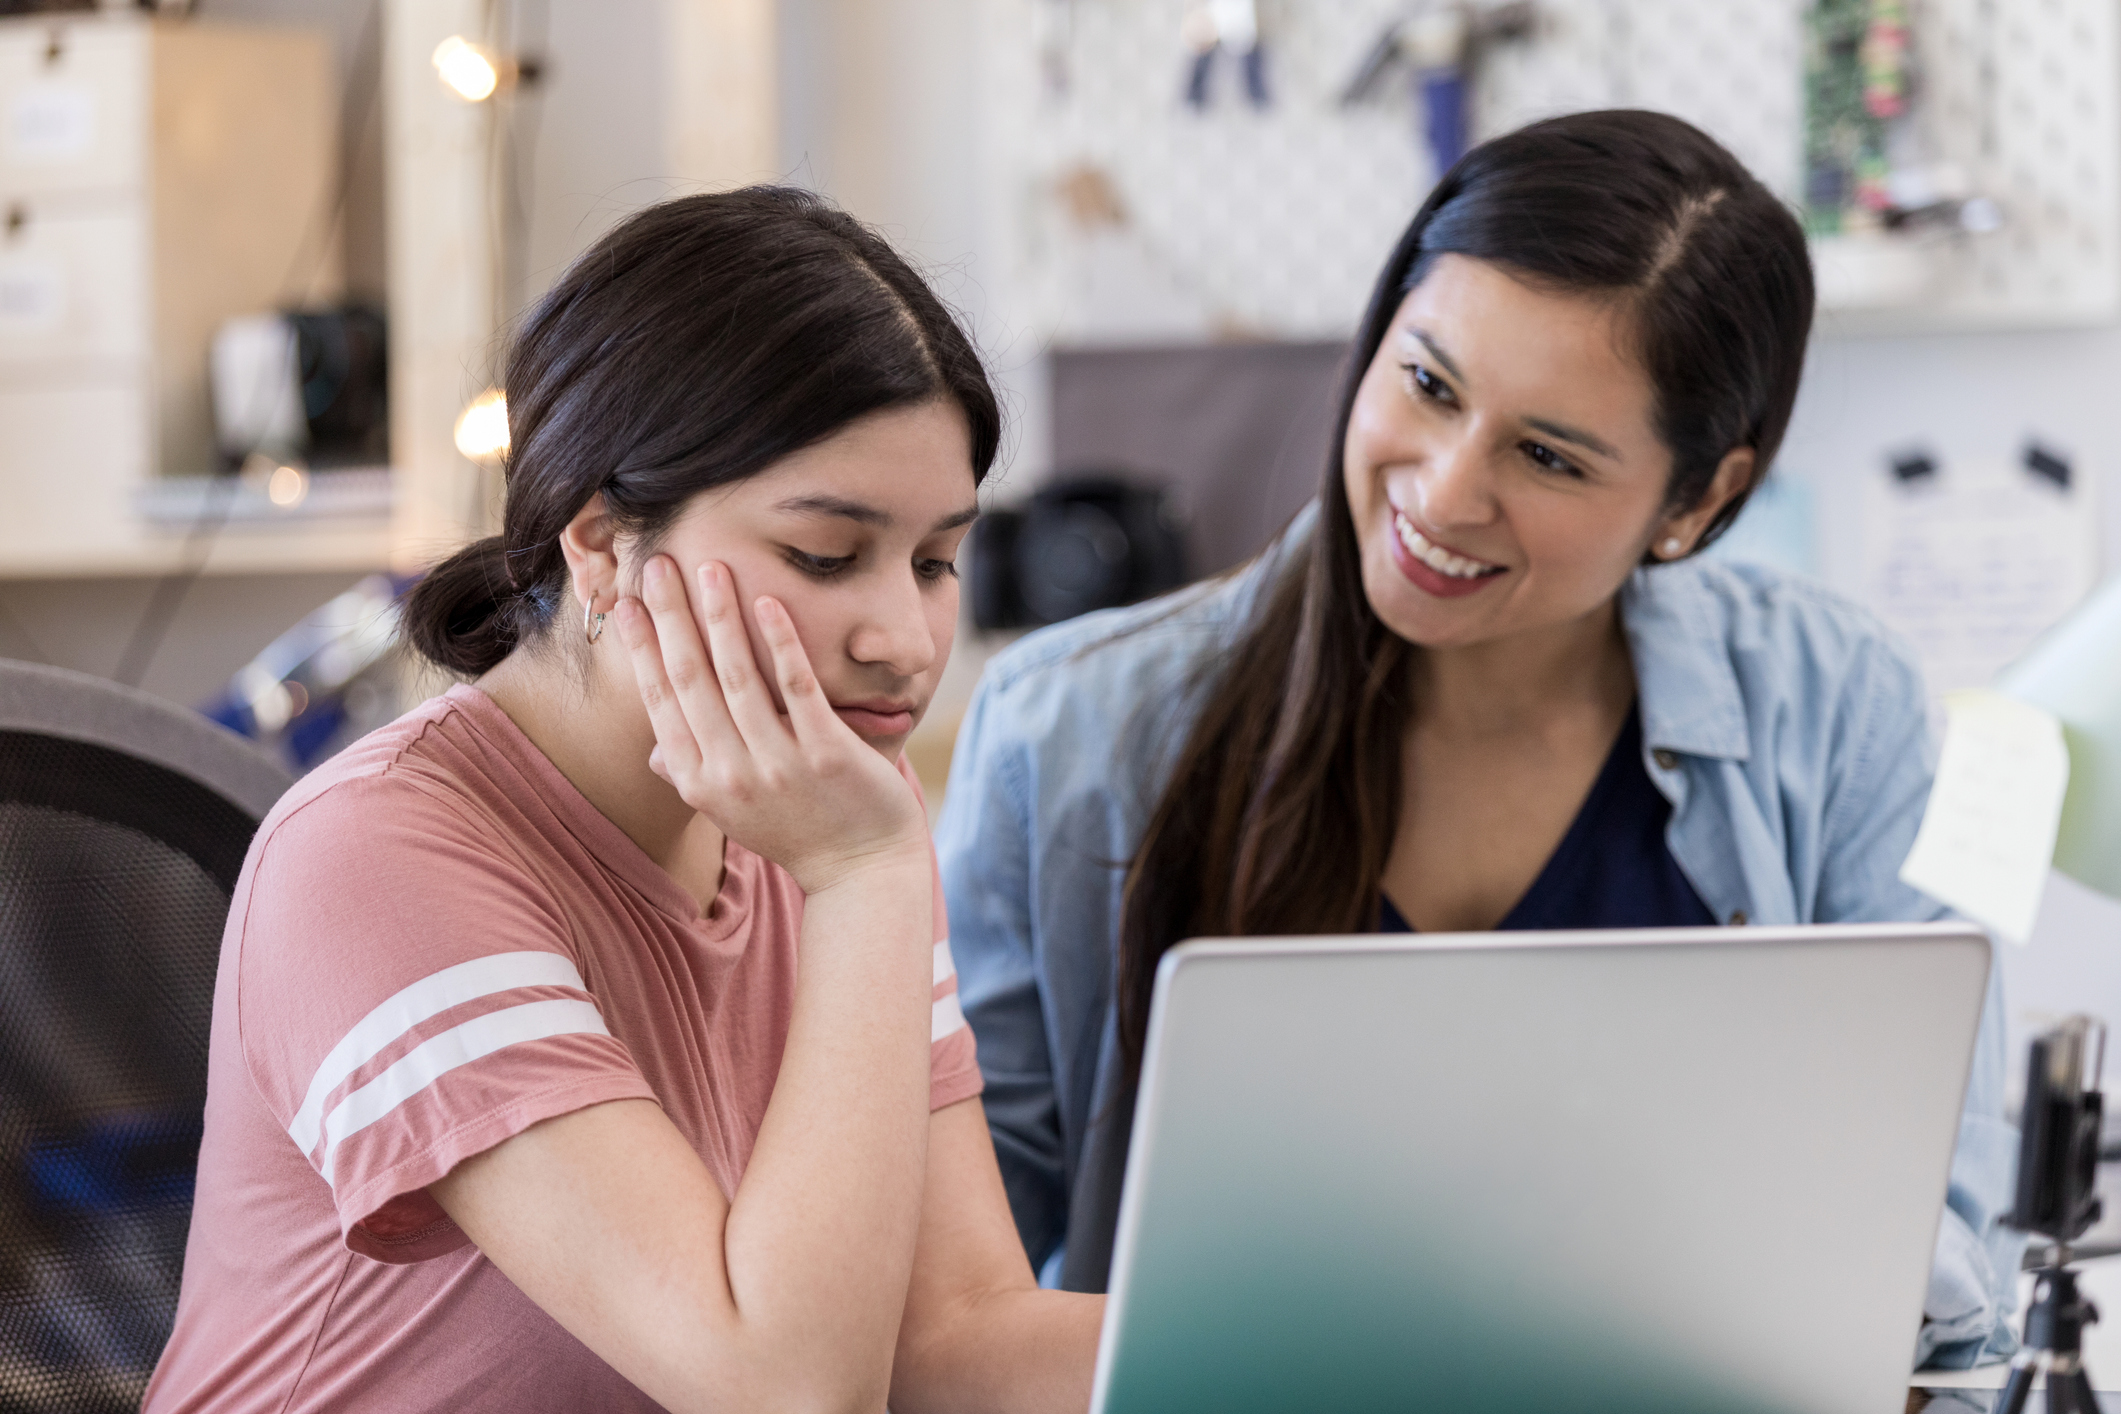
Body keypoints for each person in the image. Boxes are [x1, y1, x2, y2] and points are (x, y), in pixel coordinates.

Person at [937, 109, 2022, 1370]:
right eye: (1430, 384)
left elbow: (1944, 1241)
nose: (1445, 493)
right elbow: (957, 1305)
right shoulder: (1067, 730)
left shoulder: (1840, 709)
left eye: (1550, 456)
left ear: (1700, 500)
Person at [146, 189, 1101, 1413]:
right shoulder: (374, 857)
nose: (905, 639)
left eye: (934, 562)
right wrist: (865, 881)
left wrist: (1358, 1347)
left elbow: (951, 1338)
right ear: (598, 547)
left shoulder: (835, 823)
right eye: (823, 555)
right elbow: (785, 1388)